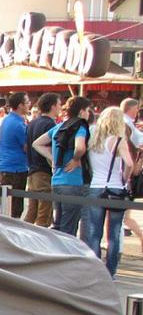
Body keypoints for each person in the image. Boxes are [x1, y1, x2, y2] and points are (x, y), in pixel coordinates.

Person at [81, 106, 135, 277]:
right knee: (114, 232)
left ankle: (95, 268)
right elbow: (129, 163)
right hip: (115, 188)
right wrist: (124, 178)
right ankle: (110, 270)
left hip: (96, 186)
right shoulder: (118, 141)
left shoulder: (93, 141)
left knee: (94, 231)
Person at [32, 96, 92, 236]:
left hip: (57, 181)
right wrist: (76, 159)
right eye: (88, 110)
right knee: (68, 226)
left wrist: (53, 158)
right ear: (82, 111)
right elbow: (80, 147)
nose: (89, 114)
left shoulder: (59, 127)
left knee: (58, 223)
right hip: (74, 181)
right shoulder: (80, 126)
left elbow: (37, 143)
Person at [23, 93, 60, 228]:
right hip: (44, 171)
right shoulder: (50, 125)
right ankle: (39, 238)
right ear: (53, 106)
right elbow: (51, 148)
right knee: (44, 213)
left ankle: (24, 235)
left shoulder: (32, 123)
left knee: (32, 211)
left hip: (32, 170)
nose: (60, 107)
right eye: (59, 104)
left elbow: (26, 146)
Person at [0, 92, 30, 219]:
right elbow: (26, 147)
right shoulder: (18, 124)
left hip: (5, 167)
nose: (29, 104)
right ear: (20, 105)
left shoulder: (6, 120)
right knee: (15, 209)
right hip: (15, 169)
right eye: (27, 102)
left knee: (8, 208)